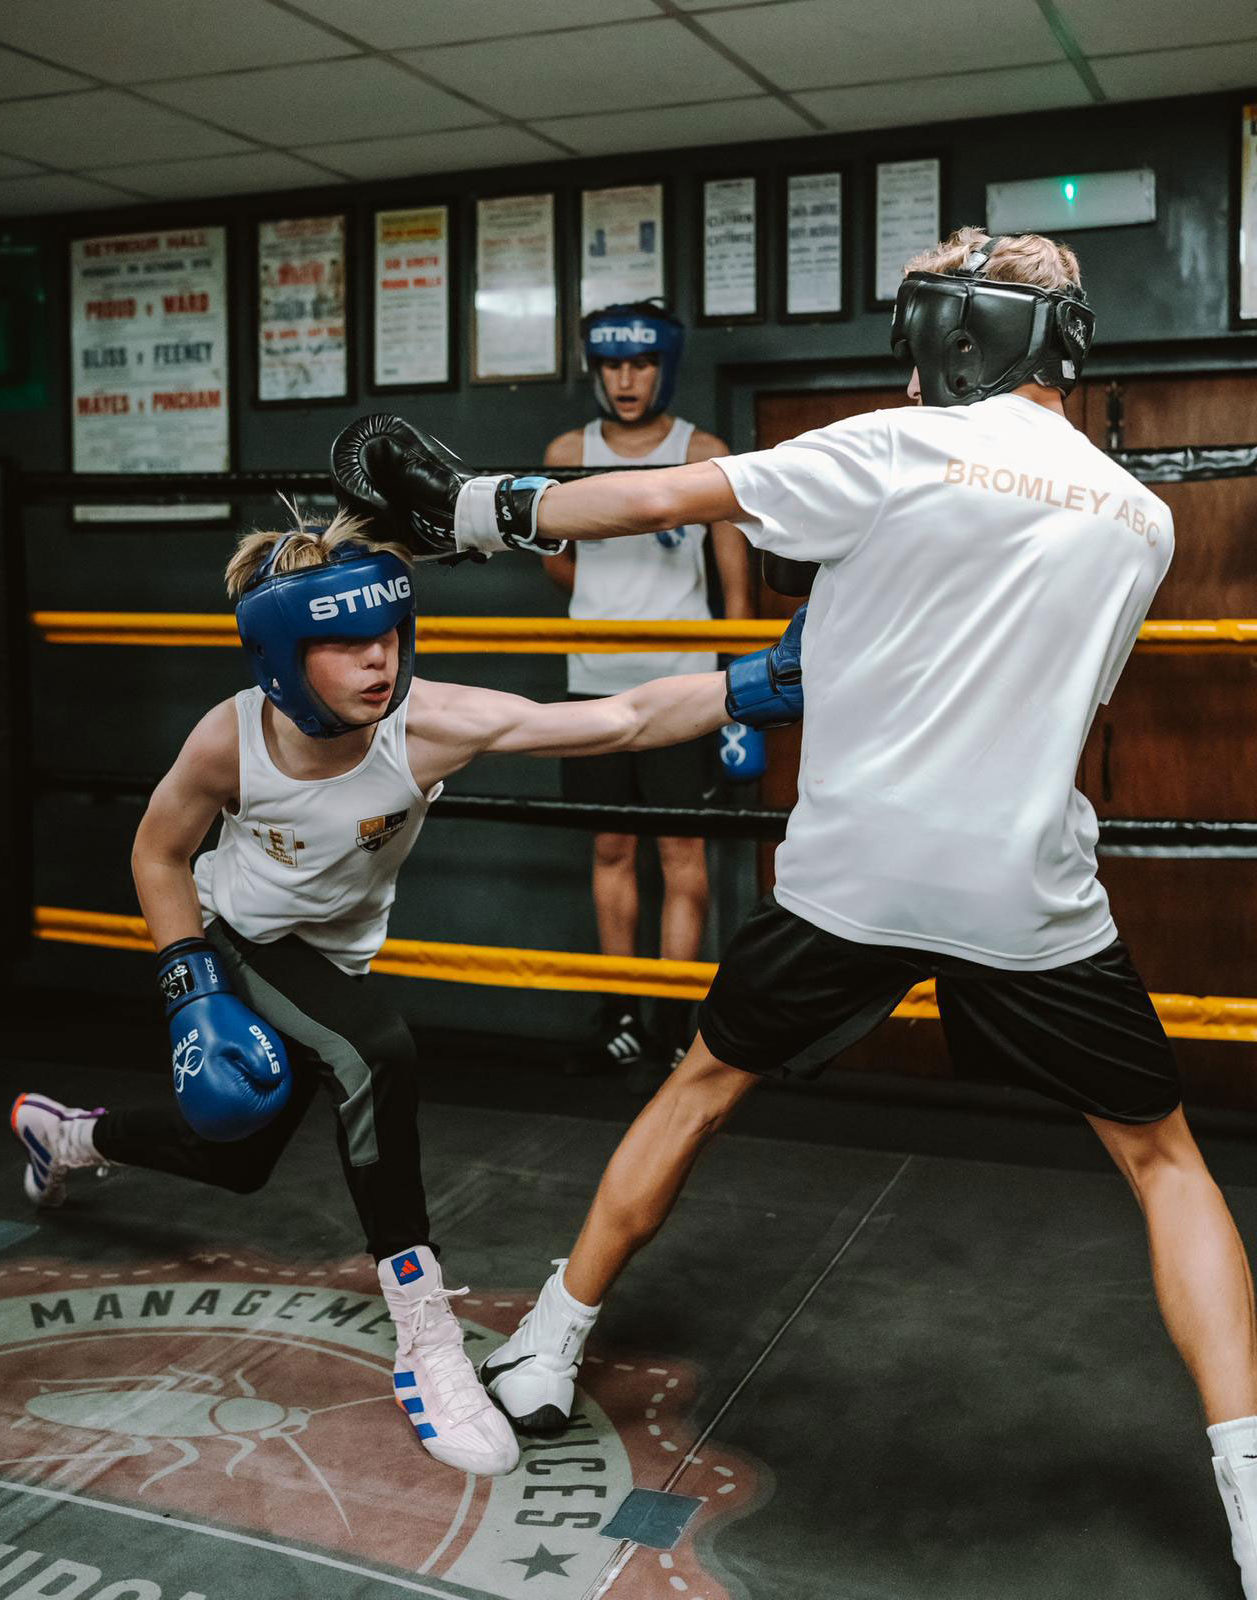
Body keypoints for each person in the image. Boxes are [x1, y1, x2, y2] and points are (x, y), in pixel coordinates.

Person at [330, 228, 1257, 1595]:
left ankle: (545, 1347)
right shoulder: (1141, 517)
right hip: (1023, 885)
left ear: (951, 336)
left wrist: (466, 510)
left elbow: (659, 497)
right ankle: (1250, 1484)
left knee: (702, 1087)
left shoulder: (893, 445)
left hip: (852, 876)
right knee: (1164, 1163)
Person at [11, 508, 802, 1484]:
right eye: (345, 644)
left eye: (387, 634)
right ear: (282, 658)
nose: (378, 659)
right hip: (238, 939)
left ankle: (70, 1138)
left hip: (328, 965)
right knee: (374, 1051)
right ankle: (426, 1342)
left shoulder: (426, 725)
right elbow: (158, 852)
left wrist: (756, 682)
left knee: (236, 1156)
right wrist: (191, 987)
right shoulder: (230, 740)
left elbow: (620, 719)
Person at [542, 303, 753, 1087]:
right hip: (593, 680)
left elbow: (736, 591)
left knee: (681, 853)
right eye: (612, 365)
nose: (626, 381)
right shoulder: (568, 454)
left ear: (664, 367)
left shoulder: (703, 455)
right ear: (597, 370)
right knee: (610, 848)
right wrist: (610, 601)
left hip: (682, 684)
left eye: (640, 364)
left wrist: (738, 697)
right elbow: (558, 563)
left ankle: (671, 1022)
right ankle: (623, 1017)